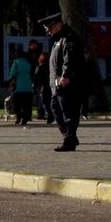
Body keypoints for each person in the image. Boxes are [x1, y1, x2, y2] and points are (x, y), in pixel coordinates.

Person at [43, 12, 86, 151]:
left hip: (67, 83)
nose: (49, 31)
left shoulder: (69, 39)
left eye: (50, 28)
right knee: (56, 109)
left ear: (58, 24)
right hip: (57, 84)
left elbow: (70, 59)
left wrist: (65, 75)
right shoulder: (58, 39)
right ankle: (70, 136)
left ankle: (69, 140)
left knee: (69, 112)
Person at [6, 50, 33, 126]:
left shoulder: (16, 63)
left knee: (17, 104)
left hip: (18, 87)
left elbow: (12, 74)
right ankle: (25, 119)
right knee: (26, 104)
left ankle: (18, 118)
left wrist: (10, 80)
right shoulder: (28, 63)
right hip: (28, 86)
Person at [33, 53, 53, 123]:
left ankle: (49, 115)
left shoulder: (39, 67)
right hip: (50, 85)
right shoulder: (50, 67)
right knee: (50, 101)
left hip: (43, 86)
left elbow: (36, 78)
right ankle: (50, 114)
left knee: (44, 102)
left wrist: (34, 85)